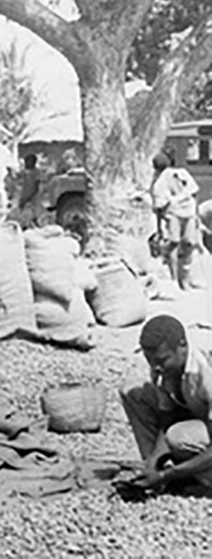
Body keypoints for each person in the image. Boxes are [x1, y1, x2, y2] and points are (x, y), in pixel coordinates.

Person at [119, 315, 212, 493]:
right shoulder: (162, 370)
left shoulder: (206, 374)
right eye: (151, 361)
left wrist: (167, 475)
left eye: (162, 360)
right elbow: (168, 420)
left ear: (182, 346)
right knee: (133, 392)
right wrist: (153, 462)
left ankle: (200, 478)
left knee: (178, 436)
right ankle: (155, 472)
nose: (156, 368)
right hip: (200, 421)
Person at [151, 152, 199, 289]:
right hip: (173, 214)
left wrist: (195, 215)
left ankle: (186, 277)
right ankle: (174, 279)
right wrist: (160, 227)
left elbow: (194, 192)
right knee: (174, 242)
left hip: (188, 211)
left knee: (189, 242)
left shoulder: (182, 174)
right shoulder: (159, 183)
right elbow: (159, 206)